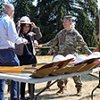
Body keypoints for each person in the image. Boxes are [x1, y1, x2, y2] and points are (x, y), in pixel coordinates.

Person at [41, 15, 92, 96]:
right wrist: (42, 45)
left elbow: (83, 45)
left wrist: (90, 54)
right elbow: (53, 42)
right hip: (61, 57)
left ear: (70, 22)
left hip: (72, 56)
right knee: (59, 71)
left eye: (65, 21)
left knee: (75, 72)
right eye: (63, 21)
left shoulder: (75, 33)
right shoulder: (60, 33)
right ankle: (61, 88)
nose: (63, 23)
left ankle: (79, 89)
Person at [0, 3, 28, 100]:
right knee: (16, 76)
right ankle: (14, 98)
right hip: (8, 52)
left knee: (1, 77)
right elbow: (13, 38)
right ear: (12, 12)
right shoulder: (9, 21)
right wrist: (23, 40)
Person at [15, 16, 42, 100]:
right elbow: (15, 34)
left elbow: (39, 36)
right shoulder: (18, 35)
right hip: (22, 58)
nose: (26, 28)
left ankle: (31, 95)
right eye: (24, 26)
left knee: (32, 78)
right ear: (22, 26)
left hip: (32, 58)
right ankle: (22, 96)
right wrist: (18, 26)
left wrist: (35, 28)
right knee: (22, 79)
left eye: (28, 26)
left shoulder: (31, 35)